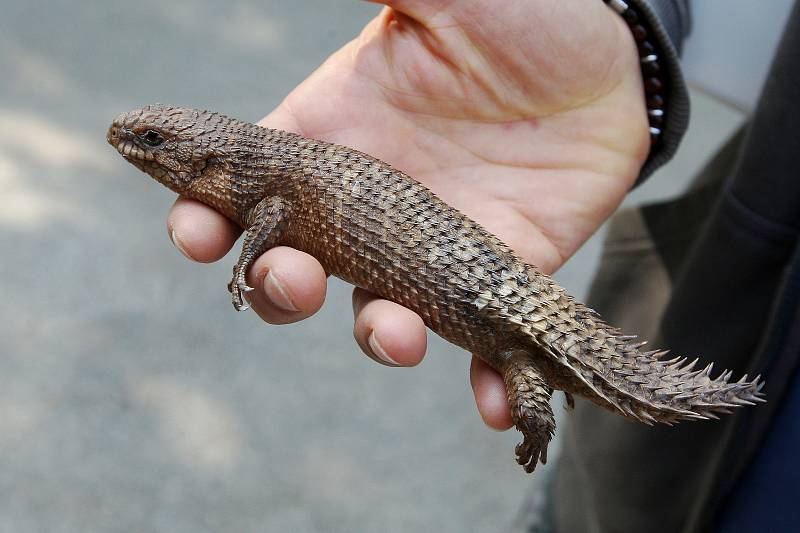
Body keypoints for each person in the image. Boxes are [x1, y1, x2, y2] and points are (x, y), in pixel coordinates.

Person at [165, 1, 800, 531]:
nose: (138, 145)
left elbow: (271, 213)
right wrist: (632, 24)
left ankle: (549, 425)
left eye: (155, 143)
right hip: (700, 308)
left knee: (527, 384)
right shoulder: (252, 169)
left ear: (205, 158)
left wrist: (534, 425)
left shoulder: (258, 180)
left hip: (511, 324)